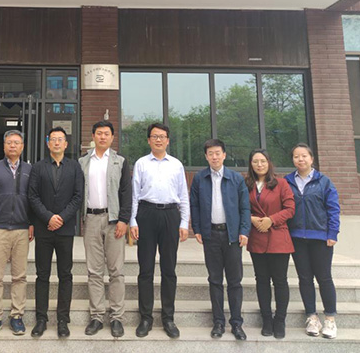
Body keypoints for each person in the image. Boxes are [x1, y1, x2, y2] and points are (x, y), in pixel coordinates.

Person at [130, 123, 189, 339]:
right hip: (146, 214)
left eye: (162, 136)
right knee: (145, 269)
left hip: (170, 215)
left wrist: (184, 222)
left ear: (168, 140)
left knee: (169, 269)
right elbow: (134, 194)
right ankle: (145, 318)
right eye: (154, 136)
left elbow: (183, 195)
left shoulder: (176, 165)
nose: (158, 140)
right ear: (148, 140)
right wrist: (133, 221)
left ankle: (168, 318)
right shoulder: (141, 164)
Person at [190, 138, 250, 341]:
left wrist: (244, 231)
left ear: (224, 155)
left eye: (218, 153)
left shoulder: (236, 178)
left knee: (234, 281)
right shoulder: (200, 178)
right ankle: (218, 322)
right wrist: (197, 228)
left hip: (232, 235)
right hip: (211, 235)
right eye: (210, 154)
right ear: (206, 157)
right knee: (215, 280)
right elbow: (194, 205)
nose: (214, 157)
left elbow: (245, 207)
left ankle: (237, 323)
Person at [28, 127, 84, 339]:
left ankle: (63, 320)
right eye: (53, 139)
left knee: (65, 274)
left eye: (60, 139)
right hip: (44, 229)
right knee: (42, 275)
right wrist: (48, 218)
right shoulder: (38, 167)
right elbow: (33, 196)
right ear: (48, 143)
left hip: (65, 229)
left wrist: (61, 218)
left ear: (66, 144)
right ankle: (41, 319)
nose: (57, 143)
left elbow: (78, 196)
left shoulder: (75, 167)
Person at [78, 120, 132, 338]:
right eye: (99, 133)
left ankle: (117, 317)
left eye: (106, 134)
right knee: (94, 271)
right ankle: (97, 316)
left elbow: (126, 192)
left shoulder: (120, 161)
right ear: (93, 136)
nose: (102, 137)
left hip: (114, 220)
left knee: (116, 271)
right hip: (91, 219)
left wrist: (124, 220)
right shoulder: (83, 162)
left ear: (112, 137)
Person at [284, 143, 340, 339]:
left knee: (324, 278)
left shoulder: (324, 182)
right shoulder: (287, 181)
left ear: (311, 159)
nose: (300, 159)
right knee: (305, 278)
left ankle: (330, 319)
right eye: (296, 156)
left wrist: (332, 233)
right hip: (297, 237)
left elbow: (333, 209)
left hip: (320, 237)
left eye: (304, 156)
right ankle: (312, 317)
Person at [0, 130, 34, 336]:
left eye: (17, 143)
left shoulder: (29, 169)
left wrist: (31, 223)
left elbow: (34, 199)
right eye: (9, 142)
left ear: (22, 146)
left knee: (19, 276)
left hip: (21, 229)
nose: (13, 146)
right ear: (4, 146)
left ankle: (16, 316)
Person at [245, 149, 295, 339]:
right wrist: (251, 218)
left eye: (263, 161)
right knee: (262, 280)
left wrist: (271, 220)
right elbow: (241, 207)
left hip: (278, 238)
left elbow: (290, 209)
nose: (259, 165)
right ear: (250, 164)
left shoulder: (281, 183)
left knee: (280, 281)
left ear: (269, 163)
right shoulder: (246, 184)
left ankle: (280, 319)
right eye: (255, 161)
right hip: (257, 237)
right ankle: (266, 319)